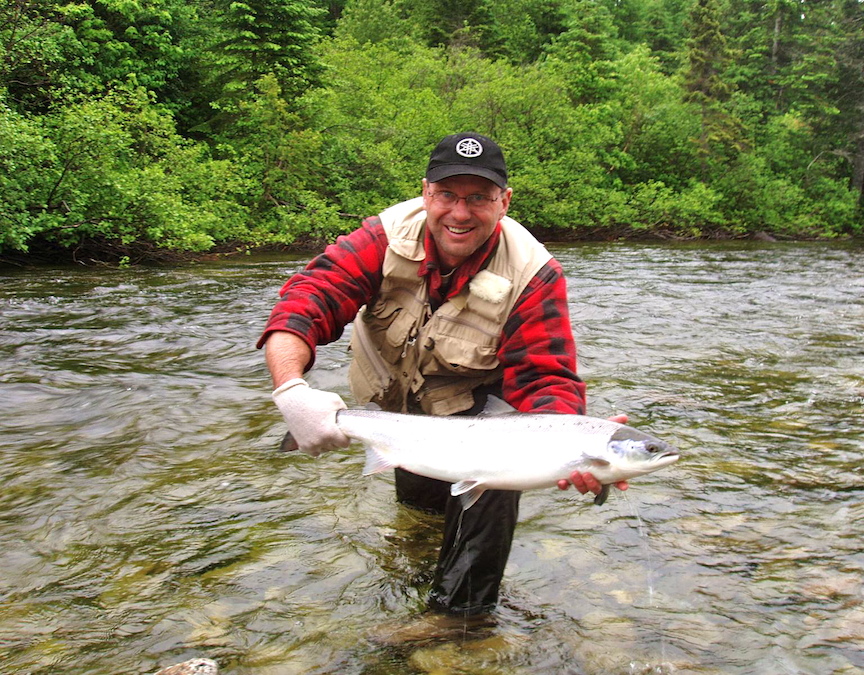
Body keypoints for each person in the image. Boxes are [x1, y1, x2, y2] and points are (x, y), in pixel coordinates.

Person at [257, 132, 627, 620]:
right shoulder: (382, 239)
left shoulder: (534, 272)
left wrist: (569, 441)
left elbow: (545, 377)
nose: (460, 212)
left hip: (478, 409)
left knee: (498, 476)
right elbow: (306, 301)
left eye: (479, 197)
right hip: (397, 411)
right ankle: (415, 572)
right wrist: (291, 390)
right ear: (426, 193)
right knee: (423, 522)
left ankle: (458, 625)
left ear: (504, 201)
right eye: (448, 195)